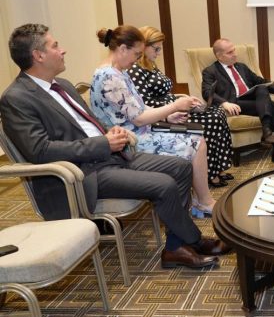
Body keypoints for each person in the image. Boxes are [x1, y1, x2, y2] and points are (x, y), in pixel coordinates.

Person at [0, 24, 230, 269]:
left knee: (181, 167)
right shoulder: (16, 98)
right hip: (81, 173)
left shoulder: (63, 85)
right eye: (55, 45)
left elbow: (88, 123)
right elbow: (40, 151)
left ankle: (177, 247)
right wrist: (103, 143)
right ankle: (192, 241)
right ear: (38, 55)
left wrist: (109, 132)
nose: (63, 50)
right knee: (164, 184)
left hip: (111, 154)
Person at [90, 25, 217, 215]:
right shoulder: (109, 77)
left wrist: (167, 115)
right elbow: (139, 119)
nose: (137, 60)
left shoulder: (118, 72)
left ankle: (199, 200)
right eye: (136, 54)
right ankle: (203, 201)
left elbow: (138, 108)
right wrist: (175, 106)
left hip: (138, 132)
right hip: (129, 142)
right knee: (197, 143)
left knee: (196, 137)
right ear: (122, 49)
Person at [128, 26, 233, 188]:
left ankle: (217, 168)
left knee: (218, 112)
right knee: (212, 119)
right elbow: (144, 102)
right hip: (163, 114)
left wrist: (181, 97)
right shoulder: (136, 69)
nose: (159, 53)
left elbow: (161, 93)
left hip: (173, 106)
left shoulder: (150, 64)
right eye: (156, 48)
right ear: (144, 47)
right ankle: (209, 173)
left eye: (160, 48)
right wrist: (176, 105)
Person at [202, 38, 274, 166]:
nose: (235, 54)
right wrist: (225, 103)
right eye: (230, 52)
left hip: (252, 100)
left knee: (261, 88)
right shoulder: (210, 71)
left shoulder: (241, 67)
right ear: (219, 56)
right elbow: (207, 92)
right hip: (235, 104)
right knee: (271, 105)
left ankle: (267, 131)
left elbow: (261, 81)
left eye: (234, 50)